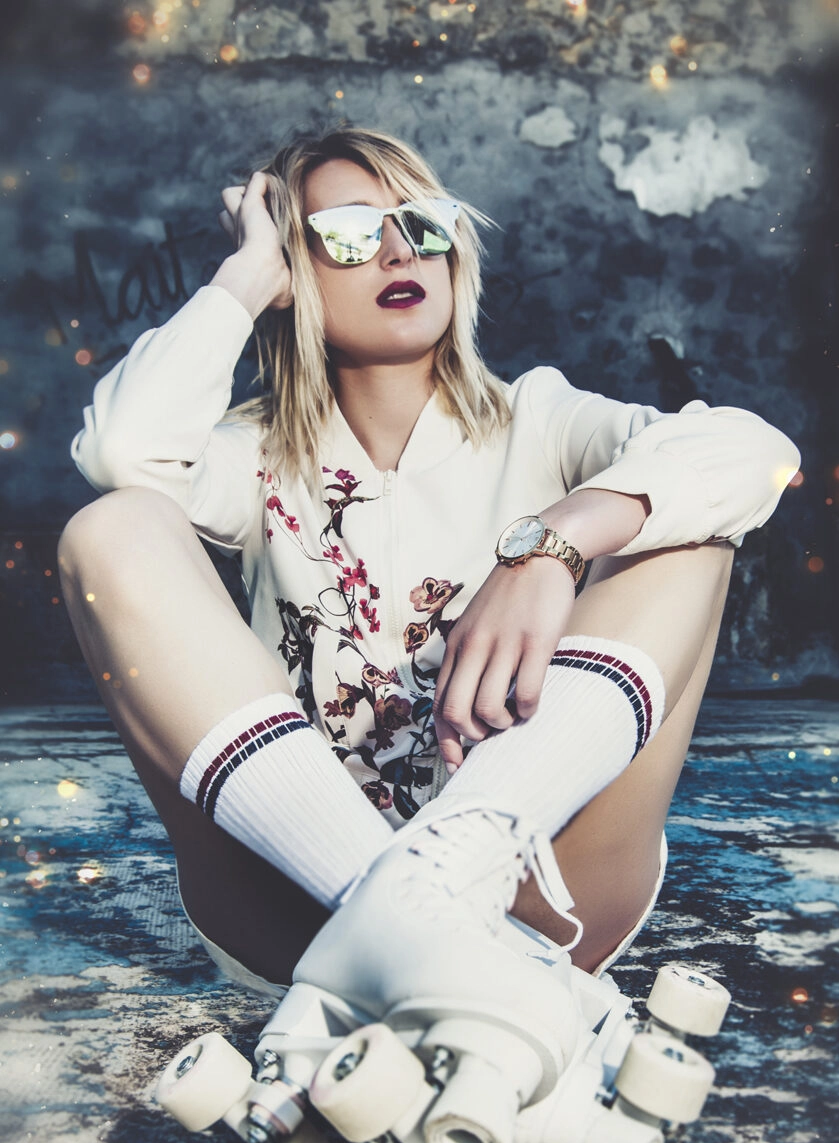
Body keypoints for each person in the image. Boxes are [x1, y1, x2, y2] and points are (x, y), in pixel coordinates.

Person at [61, 125, 800, 1008]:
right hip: (301, 911)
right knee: (111, 528)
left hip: (545, 894)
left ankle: (435, 895)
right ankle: (410, 920)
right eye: (347, 235)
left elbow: (756, 453)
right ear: (295, 272)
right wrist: (246, 274)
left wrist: (553, 543)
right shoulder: (252, 455)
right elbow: (123, 449)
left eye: (423, 223)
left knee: (687, 525)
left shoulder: (541, 419)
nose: (398, 251)